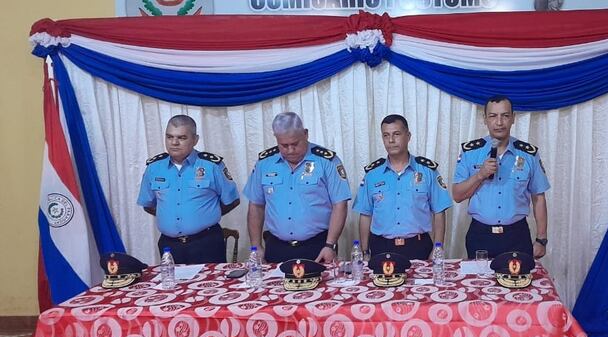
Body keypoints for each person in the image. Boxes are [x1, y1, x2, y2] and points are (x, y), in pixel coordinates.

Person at [244, 112, 351, 264]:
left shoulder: (326, 161)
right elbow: (255, 205)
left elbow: (340, 205)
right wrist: (256, 246)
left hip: (317, 246)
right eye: (284, 145)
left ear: (305, 134)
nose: (290, 150)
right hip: (276, 246)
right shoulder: (265, 163)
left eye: (295, 144)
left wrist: (330, 244)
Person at [451, 95, 550, 259]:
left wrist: (541, 239)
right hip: (480, 235)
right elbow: (457, 196)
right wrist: (480, 175)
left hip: (517, 236)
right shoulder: (470, 152)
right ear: (485, 119)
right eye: (493, 116)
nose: (499, 122)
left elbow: (539, 198)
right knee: (479, 284)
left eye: (505, 116)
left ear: (513, 118)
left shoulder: (528, 154)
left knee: (519, 284)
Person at [137, 115, 240, 264]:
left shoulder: (211, 166)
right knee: (173, 287)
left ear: (195, 140)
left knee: (211, 286)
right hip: (169, 246)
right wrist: (170, 216)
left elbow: (232, 200)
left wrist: (207, 214)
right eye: (169, 136)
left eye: (182, 137)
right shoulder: (154, 168)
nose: (174, 142)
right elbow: (148, 204)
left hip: (206, 243)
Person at [353, 115, 452, 260]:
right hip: (381, 247)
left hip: (418, 246)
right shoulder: (372, 175)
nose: (391, 140)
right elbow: (365, 215)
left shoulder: (427, 171)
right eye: (386, 135)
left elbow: (439, 212)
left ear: (408, 136)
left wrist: (438, 248)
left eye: (396, 134)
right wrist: (365, 251)